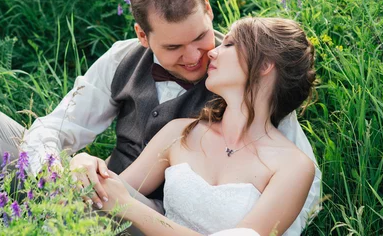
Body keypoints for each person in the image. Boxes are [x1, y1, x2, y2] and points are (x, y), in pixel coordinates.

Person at [0, 0, 320, 233]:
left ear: (208, 10)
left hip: (151, 217)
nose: (199, 56)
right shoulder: (135, 74)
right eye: (173, 46)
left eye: (203, 37)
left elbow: (299, 190)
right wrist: (67, 167)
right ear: (143, 35)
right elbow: (59, 129)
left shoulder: (254, 96)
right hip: (114, 200)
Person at [99, 17, 317, 236]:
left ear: (264, 65)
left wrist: (130, 207)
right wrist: (86, 167)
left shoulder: (294, 167)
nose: (212, 52)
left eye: (229, 44)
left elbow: (122, 200)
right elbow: (111, 192)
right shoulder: (179, 132)